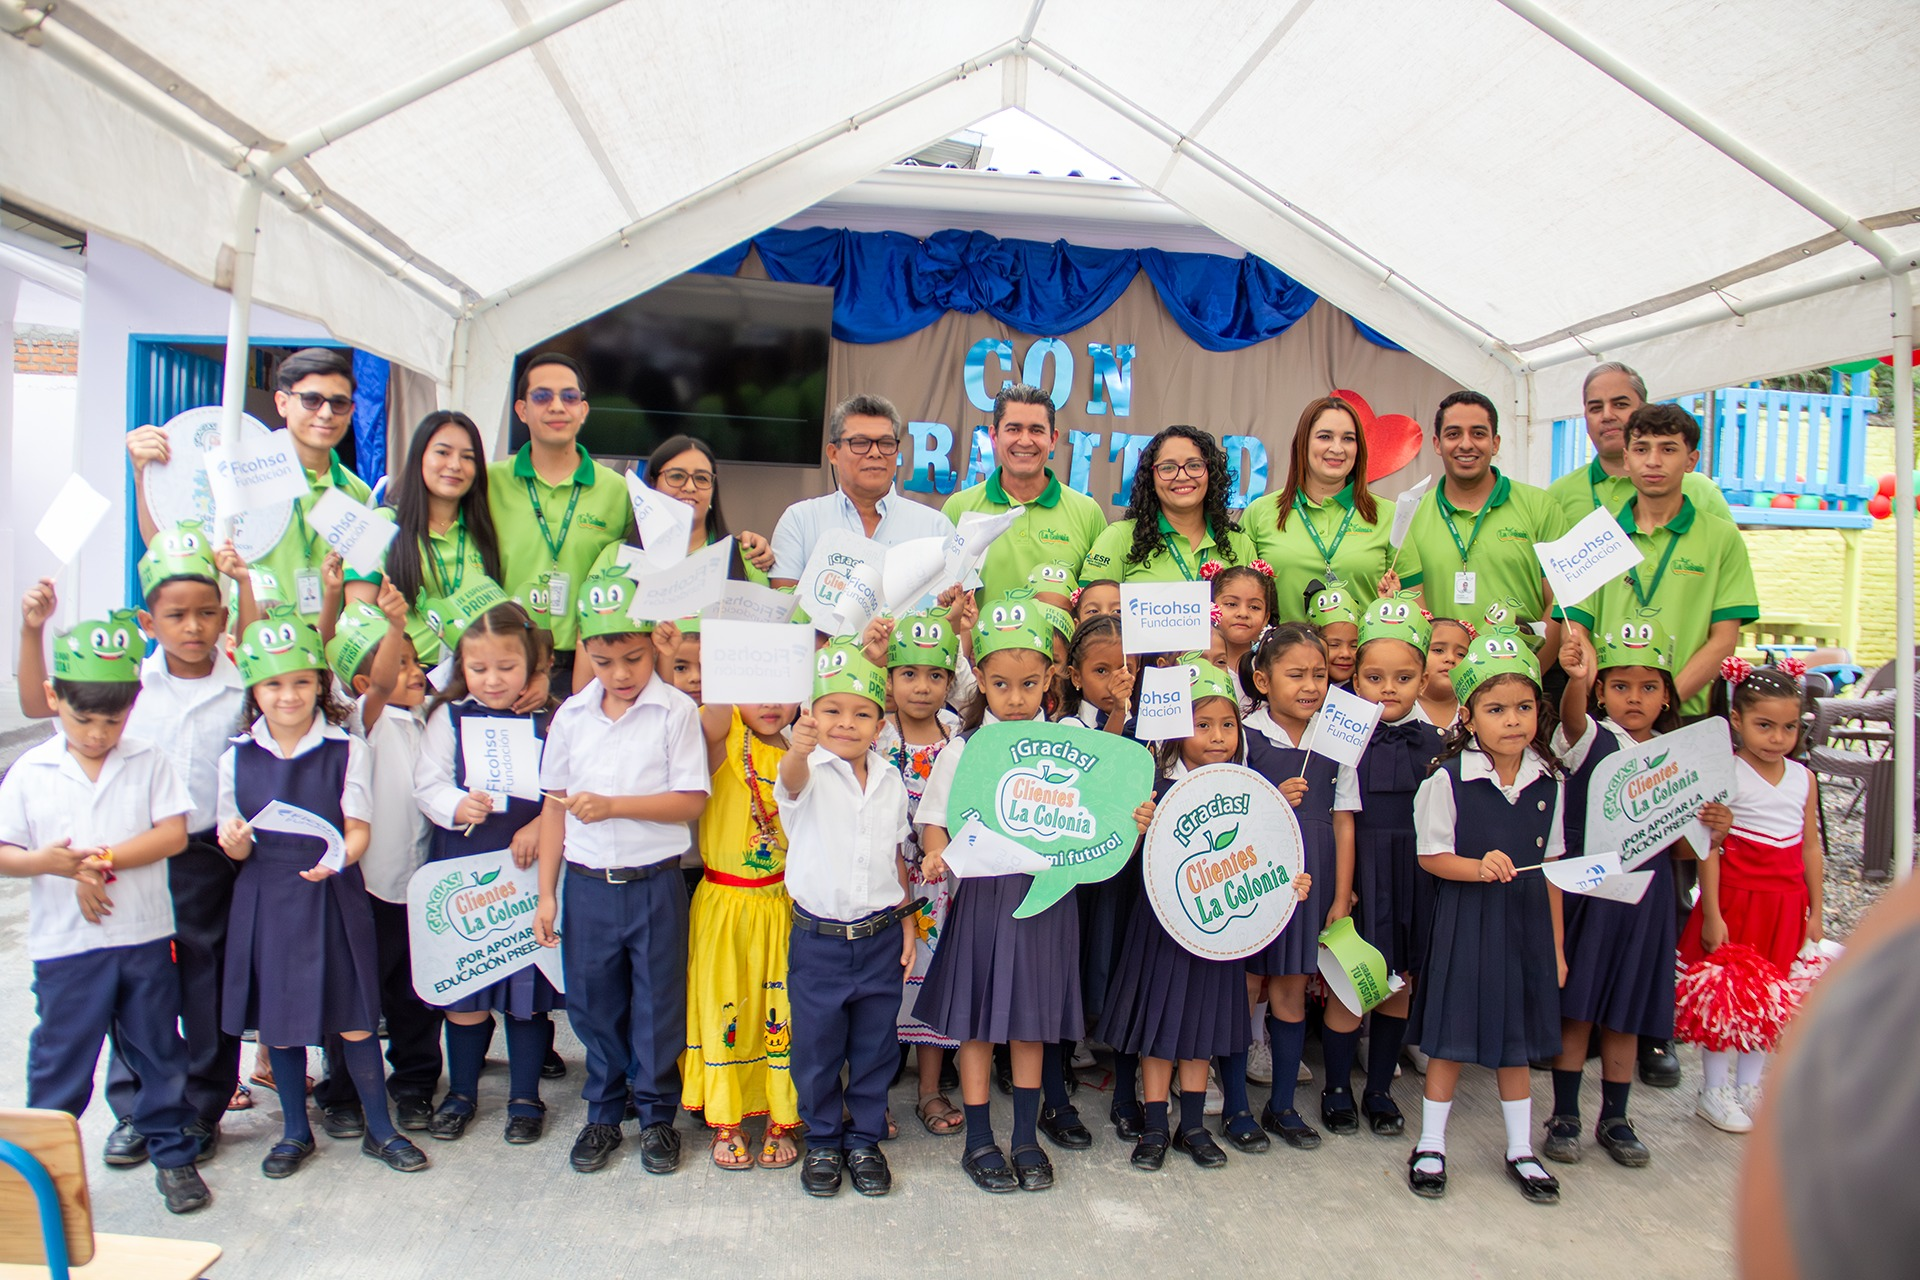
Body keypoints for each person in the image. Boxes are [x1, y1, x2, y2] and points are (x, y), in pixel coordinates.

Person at [16, 526, 246, 1158]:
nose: (193, 628)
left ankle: (200, 1106)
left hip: (202, 853)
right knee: (134, 985)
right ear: (149, 621)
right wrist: (33, 628)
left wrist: (248, 583)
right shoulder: (130, 685)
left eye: (207, 614)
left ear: (224, 618)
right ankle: (134, 1106)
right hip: (125, 857)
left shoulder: (242, 682)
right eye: (176, 615)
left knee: (204, 979)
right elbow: (42, 703)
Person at [0, 612, 212, 1214]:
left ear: (133, 707)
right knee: (60, 1063)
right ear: (53, 698)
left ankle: (173, 1158)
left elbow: (173, 835)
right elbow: (5, 853)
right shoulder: (30, 772)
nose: (97, 733)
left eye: (112, 720)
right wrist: (52, 863)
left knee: (158, 1051)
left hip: (143, 937)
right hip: (66, 948)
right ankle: (39, 1181)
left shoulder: (147, 760)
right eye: (82, 718)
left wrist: (100, 860)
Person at [218, 609, 430, 1177]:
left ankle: (379, 1130)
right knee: (282, 1022)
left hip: (333, 891)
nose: (288, 696)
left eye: (301, 682)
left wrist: (338, 855)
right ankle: (293, 1131)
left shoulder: (345, 748)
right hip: (267, 897)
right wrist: (235, 840)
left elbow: (358, 827)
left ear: (320, 684)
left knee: (357, 1015)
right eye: (273, 684)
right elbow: (233, 845)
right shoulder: (236, 756)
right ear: (254, 690)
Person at [1099, 659, 1310, 1172]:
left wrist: (1290, 884)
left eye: (1228, 724)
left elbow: (1265, 854)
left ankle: (1191, 1125)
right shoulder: (1155, 782)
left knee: (1198, 1031)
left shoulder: (1247, 787)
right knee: (1158, 1027)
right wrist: (1138, 826)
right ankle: (1154, 1125)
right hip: (1161, 928)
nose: (1217, 737)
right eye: (1203, 724)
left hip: (1216, 936)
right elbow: (1119, 857)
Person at [532, 567, 709, 1175]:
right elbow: (552, 807)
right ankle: (604, 1113)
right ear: (585, 651)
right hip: (586, 886)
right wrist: (545, 895)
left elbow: (691, 801)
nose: (621, 674)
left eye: (633, 658)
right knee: (592, 1005)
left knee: (659, 1003)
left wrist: (613, 807)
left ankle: (658, 1115)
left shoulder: (674, 712)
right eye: (605, 661)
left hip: (654, 883)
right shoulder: (572, 717)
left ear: (653, 643)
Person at [914, 606, 1077, 1194]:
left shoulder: (1072, 741)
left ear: (1050, 678)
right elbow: (934, 819)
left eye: (1029, 684)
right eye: (1001, 685)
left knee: (1031, 1027)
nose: (1015, 697)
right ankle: (979, 1139)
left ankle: (1027, 1138)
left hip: (1046, 902)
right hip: (985, 901)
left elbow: (1101, 814)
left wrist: (1131, 819)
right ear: (980, 680)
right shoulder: (965, 749)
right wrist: (936, 852)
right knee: (979, 1026)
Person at [1404, 629, 1565, 1205]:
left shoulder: (1549, 782)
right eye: (1496, 710)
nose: (1513, 720)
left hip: (1525, 929)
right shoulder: (1447, 780)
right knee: (1450, 1038)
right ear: (1469, 717)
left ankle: (1521, 1148)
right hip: (1467, 924)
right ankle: (1431, 1142)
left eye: (1524, 708)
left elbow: (1551, 869)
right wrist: (1478, 867)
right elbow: (1430, 856)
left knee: (1515, 1042)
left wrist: (1559, 948)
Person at [413, 600, 563, 1145]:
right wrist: (455, 804)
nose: (493, 680)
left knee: (527, 995)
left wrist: (543, 826)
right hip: (463, 870)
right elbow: (426, 782)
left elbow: (563, 787)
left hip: (527, 873)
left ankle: (525, 1096)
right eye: (479, 669)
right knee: (465, 991)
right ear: (461, 669)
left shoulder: (551, 717)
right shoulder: (446, 717)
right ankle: (462, 1092)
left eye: (506, 667)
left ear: (532, 663)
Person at [775, 638, 916, 1198]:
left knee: (876, 1047)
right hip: (820, 942)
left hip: (879, 936)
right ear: (811, 715)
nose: (846, 723)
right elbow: (789, 779)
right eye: (831, 710)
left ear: (879, 725)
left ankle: (864, 1139)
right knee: (816, 1049)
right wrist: (798, 748)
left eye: (861, 714)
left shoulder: (889, 780)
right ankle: (825, 1140)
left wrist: (906, 917)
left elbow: (895, 858)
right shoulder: (806, 771)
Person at [1544, 626, 1685, 1167]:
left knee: (1625, 1011)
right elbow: (1573, 717)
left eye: (1648, 687)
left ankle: (1617, 1117)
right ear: (1603, 693)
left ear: (1667, 696)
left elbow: (1694, 842)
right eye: (1620, 686)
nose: (1634, 698)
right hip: (1591, 893)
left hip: (1647, 897)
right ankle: (1565, 1113)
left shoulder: (1680, 757)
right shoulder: (1592, 739)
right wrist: (1577, 679)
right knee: (1577, 1011)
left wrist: (1715, 823)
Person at [676, 641, 802, 1172]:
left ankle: (780, 1115)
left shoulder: (806, 750)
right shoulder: (724, 740)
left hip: (782, 904)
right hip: (724, 905)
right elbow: (711, 715)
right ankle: (726, 1119)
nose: (770, 703)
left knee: (781, 1009)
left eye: (782, 689)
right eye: (753, 690)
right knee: (724, 1004)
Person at [129, 347, 373, 622]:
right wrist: (141, 477)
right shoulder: (245, 470)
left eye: (338, 403)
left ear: (351, 411)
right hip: (246, 648)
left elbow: (362, 592)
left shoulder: (358, 492)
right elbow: (167, 549)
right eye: (312, 400)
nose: (326, 413)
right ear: (282, 403)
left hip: (314, 656)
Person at [1679, 664, 1821, 1135]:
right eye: (1765, 725)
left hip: (1786, 903)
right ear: (1736, 721)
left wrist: (1815, 910)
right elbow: (1710, 847)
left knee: (1769, 998)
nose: (1778, 737)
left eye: (1789, 727)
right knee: (1729, 996)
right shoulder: (1727, 774)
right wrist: (1713, 912)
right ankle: (1714, 1090)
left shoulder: (1804, 778)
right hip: (1738, 901)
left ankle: (1750, 1086)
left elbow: (1810, 846)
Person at [322, 594, 440, 1137]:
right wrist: (393, 625)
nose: (414, 670)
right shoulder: (364, 725)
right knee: (357, 996)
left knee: (416, 995)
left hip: (417, 885)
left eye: (417, 660)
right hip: (368, 889)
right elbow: (366, 683)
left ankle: (415, 1085)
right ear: (363, 685)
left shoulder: (426, 718)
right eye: (401, 662)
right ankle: (341, 1090)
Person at [1240, 622, 1359, 1150]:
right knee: (1243, 989)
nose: (1311, 685)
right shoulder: (1245, 736)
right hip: (1254, 880)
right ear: (1263, 682)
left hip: (1311, 884)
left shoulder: (1337, 741)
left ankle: (1283, 1105)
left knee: (1291, 991)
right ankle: (1238, 1107)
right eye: (1296, 675)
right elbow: (1230, 808)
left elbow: (1343, 820)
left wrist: (1340, 898)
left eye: (1319, 674)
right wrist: (1270, 797)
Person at [1562, 403, 1759, 720]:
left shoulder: (1722, 538)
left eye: (1668, 449)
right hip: (1605, 718)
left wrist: (1667, 704)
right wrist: (1600, 691)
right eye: (1641, 449)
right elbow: (1576, 629)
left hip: (1686, 715)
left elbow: (1724, 639)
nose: (1653, 461)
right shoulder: (1593, 535)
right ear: (1627, 459)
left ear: (1691, 460)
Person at [1347, 596, 1445, 1134]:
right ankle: (1339, 1086)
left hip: (1412, 873)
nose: (1389, 687)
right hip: (1357, 869)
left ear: (1424, 678)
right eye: (1375, 676)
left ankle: (1380, 1089)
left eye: (1403, 677)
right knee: (1349, 979)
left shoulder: (1439, 744)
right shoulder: (1337, 736)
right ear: (1355, 676)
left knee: (1397, 980)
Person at [487, 353, 635, 694]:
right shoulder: (490, 482)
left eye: (569, 397)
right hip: (510, 665)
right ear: (522, 410)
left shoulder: (617, 490)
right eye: (542, 397)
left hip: (591, 665)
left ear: (583, 411)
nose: (557, 406)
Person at [879, 610, 965, 1137]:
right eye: (908, 673)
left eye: (935, 675)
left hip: (940, 887)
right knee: (884, 983)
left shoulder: (959, 737)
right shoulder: (871, 734)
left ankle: (929, 1088)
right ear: (888, 680)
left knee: (935, 982)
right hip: (883, 886)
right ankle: (872, 1089)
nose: (922, 686)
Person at [1401, 390, 1568, 656]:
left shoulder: (1539, 506)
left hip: (1521, 674)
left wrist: (1530, 673)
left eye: (1478, 433)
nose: (1466, 444)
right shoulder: (1412, 515)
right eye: (1453, 434)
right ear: (1437, 443)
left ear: (1496, 443)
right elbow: (1412, 607)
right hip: (1441, 681)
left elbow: (1561, 604)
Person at [342, 410, 508, 670]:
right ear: (419, 457)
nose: (455, 465)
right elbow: (357, 620)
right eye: (442, 452)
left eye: (468, 457)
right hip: (403, 682)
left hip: (472, 682)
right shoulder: (376, 524)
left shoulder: (484, 531)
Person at [1244, 396, 1423, 620]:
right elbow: (1238, 600)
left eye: (1348, 439)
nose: (1337, 448)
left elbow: (1417, 612)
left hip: (1363, 653)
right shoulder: (1260, 512)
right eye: (1325, 437)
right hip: (1282, 653)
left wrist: (1395, 605)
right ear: (1302, 443)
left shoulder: (1389, 515)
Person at [770, 394, 957, 587]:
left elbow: (956, 609)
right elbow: (785, 606)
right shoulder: (800, 521)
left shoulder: (936, 528)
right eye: (860, 443)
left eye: (886, 444)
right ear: (833, 454)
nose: (875, 453)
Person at [942, 384, 1108, 600]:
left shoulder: (1088, 514)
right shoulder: (958, 508)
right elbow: (939, 599)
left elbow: (1100, 605)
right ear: (994, 436)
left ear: (1053, 440)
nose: (1025, 440)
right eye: (1013, 429)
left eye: (1036, 430)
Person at [1546, 362, 1734, 529]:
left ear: (1644, 410)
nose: (1607, 415)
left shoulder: (1701, 492)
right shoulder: (1559, 494)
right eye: (1595, 408)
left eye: (1620, 404)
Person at [590, 434, 777, 590]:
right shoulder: (617, 556)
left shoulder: (746, 559)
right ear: (653, 483)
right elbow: (590, 627)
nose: (690, 487)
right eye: (677, 476)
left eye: (702, 478)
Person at [1080, 426, 1255, 585]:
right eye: (1168, 467)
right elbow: (1091, 612)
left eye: (1194, 465)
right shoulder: (1120, 537)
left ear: (1211, 473)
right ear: (1151, 477)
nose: (1182, 476)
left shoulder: (1240, 545)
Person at [1205, 561, 1275, 708]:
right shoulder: (1197, 659)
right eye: (1231, 604)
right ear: (1210, 607)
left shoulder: (1270, 661)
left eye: (1254, 607)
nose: (1243, 613)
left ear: (1266, 618)